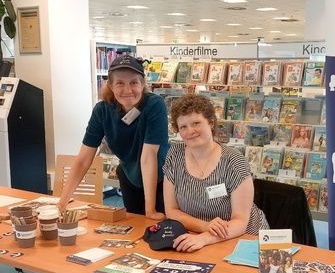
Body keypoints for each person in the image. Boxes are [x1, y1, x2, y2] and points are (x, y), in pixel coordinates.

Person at [58, 55, 169, 220]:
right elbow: (83, 159)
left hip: (161, 179)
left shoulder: (154, 105)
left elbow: (148, 157)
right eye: (120, 83)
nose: (127, 90)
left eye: (133, 82)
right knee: (135, 226)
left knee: (160, 230)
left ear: (143, 84)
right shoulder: (102, 110)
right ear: (110, 85)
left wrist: (150, 210)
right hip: (129, 177)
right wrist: (62, 202)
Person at [163, 94, 269, 252]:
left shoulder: (234, 161)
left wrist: (204, 238)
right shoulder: (175, 155)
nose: (190, 131)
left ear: (211, 122)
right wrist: (206, 227)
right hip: (199, 236)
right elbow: (171, 211)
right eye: (183, 126)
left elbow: (240, 221)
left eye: (196, 123)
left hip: (245, 239)